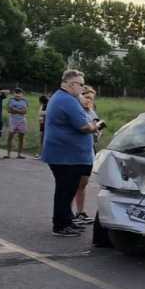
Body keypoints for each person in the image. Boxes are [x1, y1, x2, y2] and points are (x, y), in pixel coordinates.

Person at [43, 70, 105, 237]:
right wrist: (96, 126)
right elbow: (84, 126)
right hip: (65, 156)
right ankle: (61, 225)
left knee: (68, 189)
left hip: (66, 155)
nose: (82, 88)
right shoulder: (66, 100)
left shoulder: (63, 97)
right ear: (71, 84)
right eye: (81, 84)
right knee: (65, 190)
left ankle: (67, 220)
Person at [73, 86, 100, 224]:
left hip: (88, 151)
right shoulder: (76, 112)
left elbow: (95, 133)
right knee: (72, 183)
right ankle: (68, 212)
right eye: (86, 97)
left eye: (91, 98)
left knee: (83, 183)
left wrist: (97, 132)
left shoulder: (92, 113)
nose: (88, 100)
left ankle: (80, 212)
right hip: (76, 152)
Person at [4, 88, 28, 159]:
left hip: (22, 121)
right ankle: (8, 154)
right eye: (16, 93)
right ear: (14, 94)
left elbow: (25, 111)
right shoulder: (11, 100)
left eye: (19, 93)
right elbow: (9, 110)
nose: (17, 94)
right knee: (10, 137)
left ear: (22, 94)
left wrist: (14, 109)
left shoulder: (24, 101)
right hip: (13, 121)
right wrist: (19, 110)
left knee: (21, 138)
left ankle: (19, 154)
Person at [34, 94, 49, 159]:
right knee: (43, 139)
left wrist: (41, 114)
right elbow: (40, 114)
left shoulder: (46, 106)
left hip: (45, 124)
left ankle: (42, 154)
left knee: (43, 139)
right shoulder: (44, 105)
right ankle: (41, 154)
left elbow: (41, 113)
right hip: (43, 124)